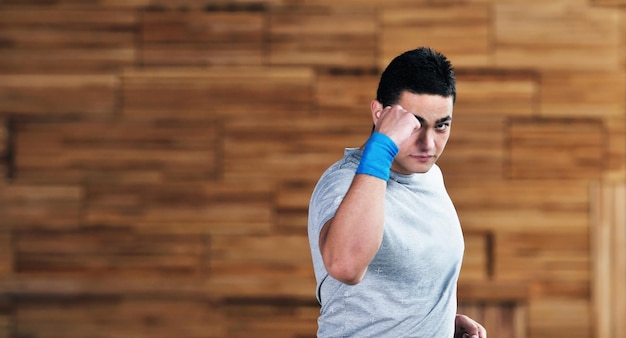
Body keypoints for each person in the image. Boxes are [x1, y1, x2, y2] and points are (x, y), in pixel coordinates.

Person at [307, 47, 487, 337]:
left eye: (441, 126)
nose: (428, 144)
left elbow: (401, 285)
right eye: (414, 126)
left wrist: (439, 323)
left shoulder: (430, 177)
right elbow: (345, 265)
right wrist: (382, 146)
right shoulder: (343, 183)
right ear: (380, 114)